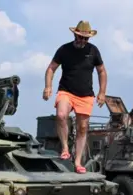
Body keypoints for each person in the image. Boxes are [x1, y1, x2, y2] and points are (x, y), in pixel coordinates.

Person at [43, 20, 108, 174]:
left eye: (86, 38)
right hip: (66, 90)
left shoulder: (93, 51)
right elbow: (51, 68)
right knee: (61, 115)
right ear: (75, 34)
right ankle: (65, 148)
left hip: (86, 94)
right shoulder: (64, 49)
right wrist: (48, 86)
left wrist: (102, 92)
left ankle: (78, 161)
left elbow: (102, 72)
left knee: (83, 128)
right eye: (80, 37)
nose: (82, 41)